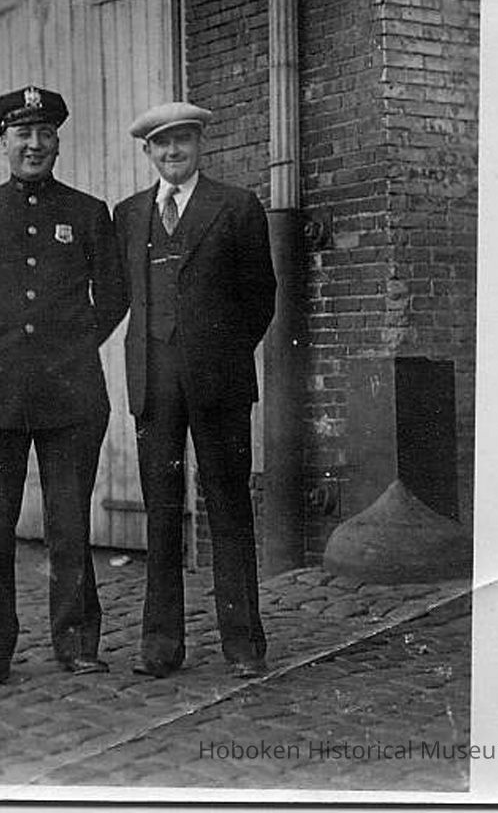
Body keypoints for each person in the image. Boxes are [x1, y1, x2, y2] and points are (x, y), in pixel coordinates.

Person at [0, 85, 127, 684]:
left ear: (57, 142)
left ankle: (76, 644)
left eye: (45, 134)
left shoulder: (88, 213)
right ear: (3, 142)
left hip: (69, 391)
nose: (35, 144)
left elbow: (115, 296)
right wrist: (1, 353)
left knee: (69, 524)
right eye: (23, 134)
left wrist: (67, 349)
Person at [113, 101, 276, 680]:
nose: (173, 152)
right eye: (162, 145)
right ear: (148, 152)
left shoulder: (236, 207)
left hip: (220, 384)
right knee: (161, 512)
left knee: (229, 508)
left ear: (200, 144)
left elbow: (261, 299)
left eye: (182, 141)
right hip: (154, 387)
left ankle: (243, 646)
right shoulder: (129, 214)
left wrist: (221, 353)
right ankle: (160, 645)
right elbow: (123, 295)